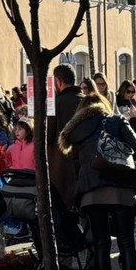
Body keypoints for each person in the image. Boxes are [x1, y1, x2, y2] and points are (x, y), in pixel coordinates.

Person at [59, 92, 136, 270]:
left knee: (100, 246)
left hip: (91, 194)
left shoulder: (76, 131)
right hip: (120, 190)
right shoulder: (115, 120)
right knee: (127, 243)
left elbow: (77, 166)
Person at [45, 64, 84, 206]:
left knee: (62, 207)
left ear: (58, 81)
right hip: (84, 162)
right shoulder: (86, 101)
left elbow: (47, 135)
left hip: (61, 164)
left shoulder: (55, 103)